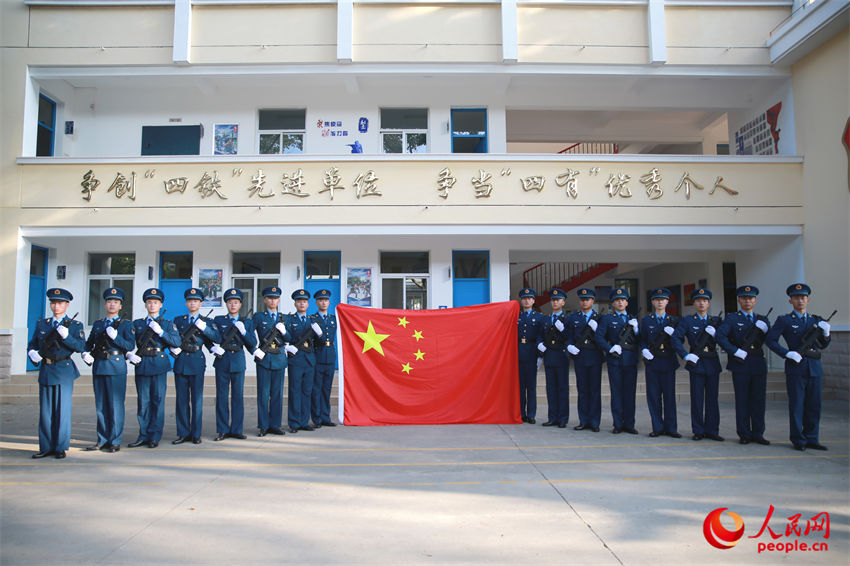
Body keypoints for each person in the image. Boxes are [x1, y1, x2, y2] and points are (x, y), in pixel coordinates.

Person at [766, 283, 832, 451]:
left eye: (803, 298)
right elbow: (770, 340)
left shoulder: (816, 320)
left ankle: (812, 438)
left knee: (814, 405)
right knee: (797, 405)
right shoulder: (785, 320)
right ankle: (798, 439)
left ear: (808, 300)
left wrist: (826, 334)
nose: (800, 300)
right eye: (796, 298)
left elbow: (823, 345)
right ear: (790, 301)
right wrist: (787, 353)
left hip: (814, 368)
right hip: (796, 368)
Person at [26, 288, 85, 459]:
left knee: (62, 411)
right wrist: (31, 353)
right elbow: (33, 344)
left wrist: (67, 337)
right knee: (46, 412)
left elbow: (81, 347)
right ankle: (45, 446)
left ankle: (60, 446)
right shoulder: (43, 324)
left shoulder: (75, 326)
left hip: (63, 370)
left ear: (67, 305)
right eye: (53, 303)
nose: (56, 306)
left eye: (60, 303)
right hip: (46, 368)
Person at [81, 287, 135, 453]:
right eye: (110, 302)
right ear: (105, 304)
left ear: (120, 306)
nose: (112, 304)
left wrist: (115, 337)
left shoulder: (126, 325)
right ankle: (102, 439)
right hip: (99, 366)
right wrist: (84, 353)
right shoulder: (98, 324)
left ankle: (115, 440)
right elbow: (89, 343)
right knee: (101, 406)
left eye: (116, 302)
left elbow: (130, 346)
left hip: (116, 365)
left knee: (115, 405)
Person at [716, 285, 771, 446]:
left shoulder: (762, 320)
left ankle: (758, 433)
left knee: (759, 401)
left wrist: (767, 330)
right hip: (740, 364)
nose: (748, 301)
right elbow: (720, 336)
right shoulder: (732, 318)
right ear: (739, 300)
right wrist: (734, 351)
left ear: (755, 300)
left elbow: (771, 340)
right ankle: (744, 433)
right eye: (744, 298)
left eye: (751, 298)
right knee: (742, 400)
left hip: (758, 363)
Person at [127, 288, 180, 448]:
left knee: (157, 401)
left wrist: (162, 332)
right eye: (149, 302)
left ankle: (155, 436)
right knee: (143, 402)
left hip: (158, 363)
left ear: (160, 304)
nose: (152, 305)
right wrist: (129, 354)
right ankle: (143, 434)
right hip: (142, 363)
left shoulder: (167, 323)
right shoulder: (138, 324)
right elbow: (129, 343)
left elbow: (176, 342)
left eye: (155, 302)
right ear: (145, 304)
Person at [671, 288, 724, 442]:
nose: (702, 303)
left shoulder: (716, 321)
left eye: (705, 300)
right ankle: (698, 430)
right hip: (697, 363)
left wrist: (716, 335)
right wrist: (686, 355)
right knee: (697, 398)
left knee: (712, 399)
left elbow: (726, 339)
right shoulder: (688, 320)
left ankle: (712, 430)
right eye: (698, 300)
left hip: (712, 362)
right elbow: (676, 338)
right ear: (694, 303)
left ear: (708, 303)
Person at [171, 288, 221, 445]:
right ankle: (183, 433)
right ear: (186, 303)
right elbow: (173, 339)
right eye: (190, 300)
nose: (193, 303)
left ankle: (196, 434)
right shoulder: (179, 320)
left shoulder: (208, 321)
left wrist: (204, 328)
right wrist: (173, 347)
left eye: (196, 301)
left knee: (197, 400)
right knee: (181, 400)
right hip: (181, 361)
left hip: (197, 361)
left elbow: (216, 338)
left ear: (200, 303)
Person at [210, 288, 257, 441]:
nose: (233, 305)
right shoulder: (219, 320)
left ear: (240, 305)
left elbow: (252, 342)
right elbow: (214, 337)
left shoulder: (246, 322)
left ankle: (237, 429)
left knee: (238, 397)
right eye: (230, 302)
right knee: (222, 397)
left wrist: (243, 332)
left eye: (236, 302)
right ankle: (222, 429)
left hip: (238, 360)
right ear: (226, 304)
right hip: (222, 361)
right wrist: (213, 348)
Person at [595, 288, 639, 434]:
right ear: (613, 303)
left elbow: (641, 340)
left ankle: (630, 424)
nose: (620, 302)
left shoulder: (632, 319)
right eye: (617, 300)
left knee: (630, 393)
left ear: (627, 302)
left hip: (630, 360)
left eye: (623, 300)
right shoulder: (608, 319)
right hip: (615, 360)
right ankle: (618, 424)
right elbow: (599, 337)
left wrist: (637, 329)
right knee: (617, 393)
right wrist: (609, 348)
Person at [640, 287, 681, 438]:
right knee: (654, 397)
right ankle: (657, 427)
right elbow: (642, 339)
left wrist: (675, 335)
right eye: (657, 300)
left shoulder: (674, 320)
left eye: (662, 299)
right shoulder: (646, 320)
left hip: (669, 362)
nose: (660, 302)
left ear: (667, 302)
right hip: (652, 362)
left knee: (669, 397)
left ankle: (671, 428)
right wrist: (644, 350)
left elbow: (680, 341)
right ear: (652, 302)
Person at [252, 286, 292, 436]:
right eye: (269, 298)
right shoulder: (259, 317)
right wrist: (254, 350)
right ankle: (263, 425)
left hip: (279, 358)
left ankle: (275, 425)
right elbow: (249, 334)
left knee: (277, 394)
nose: (272, 300)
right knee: (263, 394)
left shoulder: (284, 318)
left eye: (275, 298)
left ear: (279, 300)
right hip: (264, 358)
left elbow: (290, 338)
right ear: (265, 300)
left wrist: (284, 331)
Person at [286, 289, 323, 433]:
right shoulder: (290, 320)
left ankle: (304, 421)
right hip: (296, 359)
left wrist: (319, 333)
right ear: (295, 303)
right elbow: (286, 337)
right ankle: (294, 423)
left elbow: (319, 341)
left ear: (308, 304)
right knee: (295, 391)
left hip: (309, 359)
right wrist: (288, 347)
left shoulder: (312, 320)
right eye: (299, 301)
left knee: (307, 391)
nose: (302, 304)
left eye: (304, 301)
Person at [568, 288, 604, 432]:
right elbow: (569, 335)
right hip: (580, 357)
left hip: (595, 357)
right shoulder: (574, 318)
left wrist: (598, 331)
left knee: (595, 391)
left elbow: (605, 338)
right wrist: (569, 346)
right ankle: (583, 420)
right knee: (582, 390)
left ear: (592, 301)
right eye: (582, 299)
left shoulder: (600, 318)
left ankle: (594, 421)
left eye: (587, 299)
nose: (585, 301)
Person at [537, 288, 570, 428]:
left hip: (561, 355)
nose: (555, 302)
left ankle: (562, 418)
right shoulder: (546, 319)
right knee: (550, 388)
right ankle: (552, 417)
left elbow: (571, 337)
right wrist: (540, 344)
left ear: (563, 302)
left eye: (558, 300)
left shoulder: (568, 319)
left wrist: (563, 330)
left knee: (562, 388)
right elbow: (540, 334)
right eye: (553, 300)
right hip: (549, 355)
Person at [311, 289, 338, 428]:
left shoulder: (334, 318)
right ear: (316, 302)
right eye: (321, 300)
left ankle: (325, 417)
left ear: (329, 302)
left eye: (326, 300)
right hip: (318, 355)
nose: (324, 302)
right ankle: (316, 418)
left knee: (326, 389)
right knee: (316, 389)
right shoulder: (312, 319)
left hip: (330, 355)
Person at [517, 288, 544, 424]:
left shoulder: (540, 317)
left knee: (531, 386)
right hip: (519, 353)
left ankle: (531, 414)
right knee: (520, 387)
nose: (527, 300)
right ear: (521, 301)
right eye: (524, 298)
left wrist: (540, 356)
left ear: (533, 301)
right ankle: (521, 413)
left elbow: (541, 336)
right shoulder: (516, 316)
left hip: (532, 353)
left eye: (529, 298)